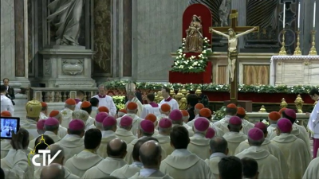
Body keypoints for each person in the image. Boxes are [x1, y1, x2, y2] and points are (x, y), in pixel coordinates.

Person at [307, 87, 319, 158]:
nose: (311, 99)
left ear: (315, 95)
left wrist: (310, 115)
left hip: (318, 129)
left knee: (315, 150)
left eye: (311, 97)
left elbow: (317, 116)